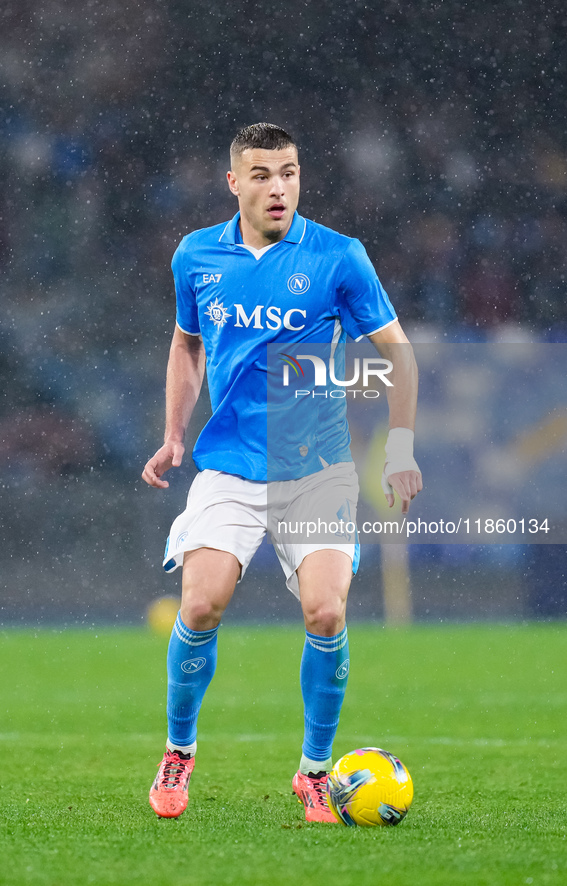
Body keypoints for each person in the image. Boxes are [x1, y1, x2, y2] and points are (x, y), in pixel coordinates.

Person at [142, 123, 422, 823]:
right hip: (231, 463)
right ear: (233, 182)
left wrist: (400, 447)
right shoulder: (196, 255)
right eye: (262, 174)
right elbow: (185, 345)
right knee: (201, 604)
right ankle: (178, 751)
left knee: (326, 611)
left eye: (289, 172)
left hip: (316, 467)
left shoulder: (338, 257)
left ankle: (315, 772)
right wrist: (173, 434)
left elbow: (399, 353)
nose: (278, 187)